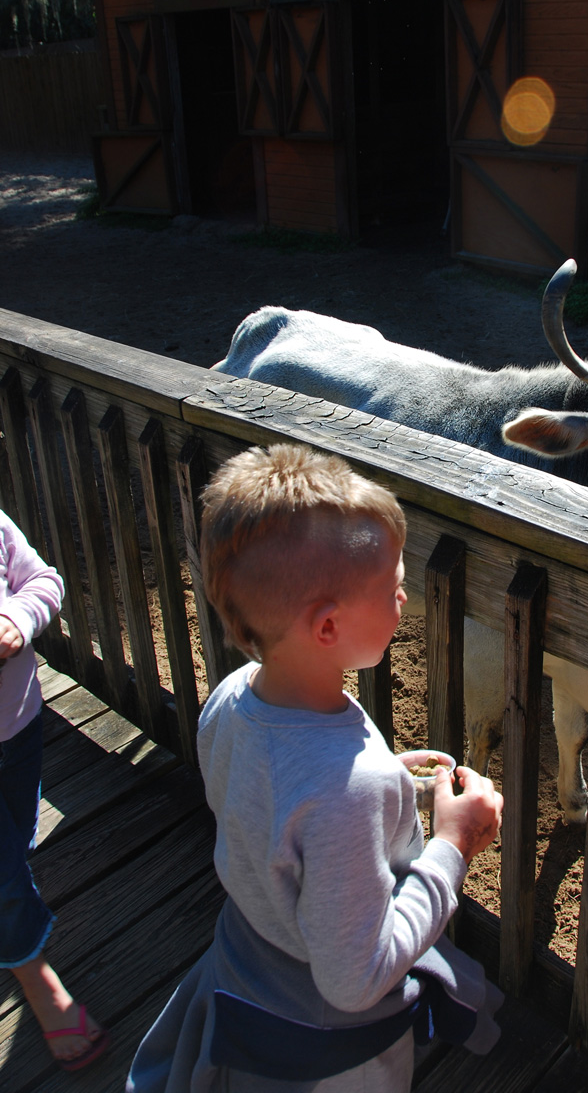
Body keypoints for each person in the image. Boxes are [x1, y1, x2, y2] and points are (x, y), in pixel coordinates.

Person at [127, 442, 506, 1092]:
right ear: (327, 627)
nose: (404, 597)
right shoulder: (345, 788)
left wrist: (382, 774)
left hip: (249, 962)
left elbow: (277, 801)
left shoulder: (235, 694)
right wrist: (453, 844)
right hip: (331, 1050)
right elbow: (357, 979)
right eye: (390, 589)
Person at [0, 506, 109, 1071]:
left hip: (18, 729)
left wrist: (17, 617)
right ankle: (35, 977)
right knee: (2, 876)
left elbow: (45, 581)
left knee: (18, 833)